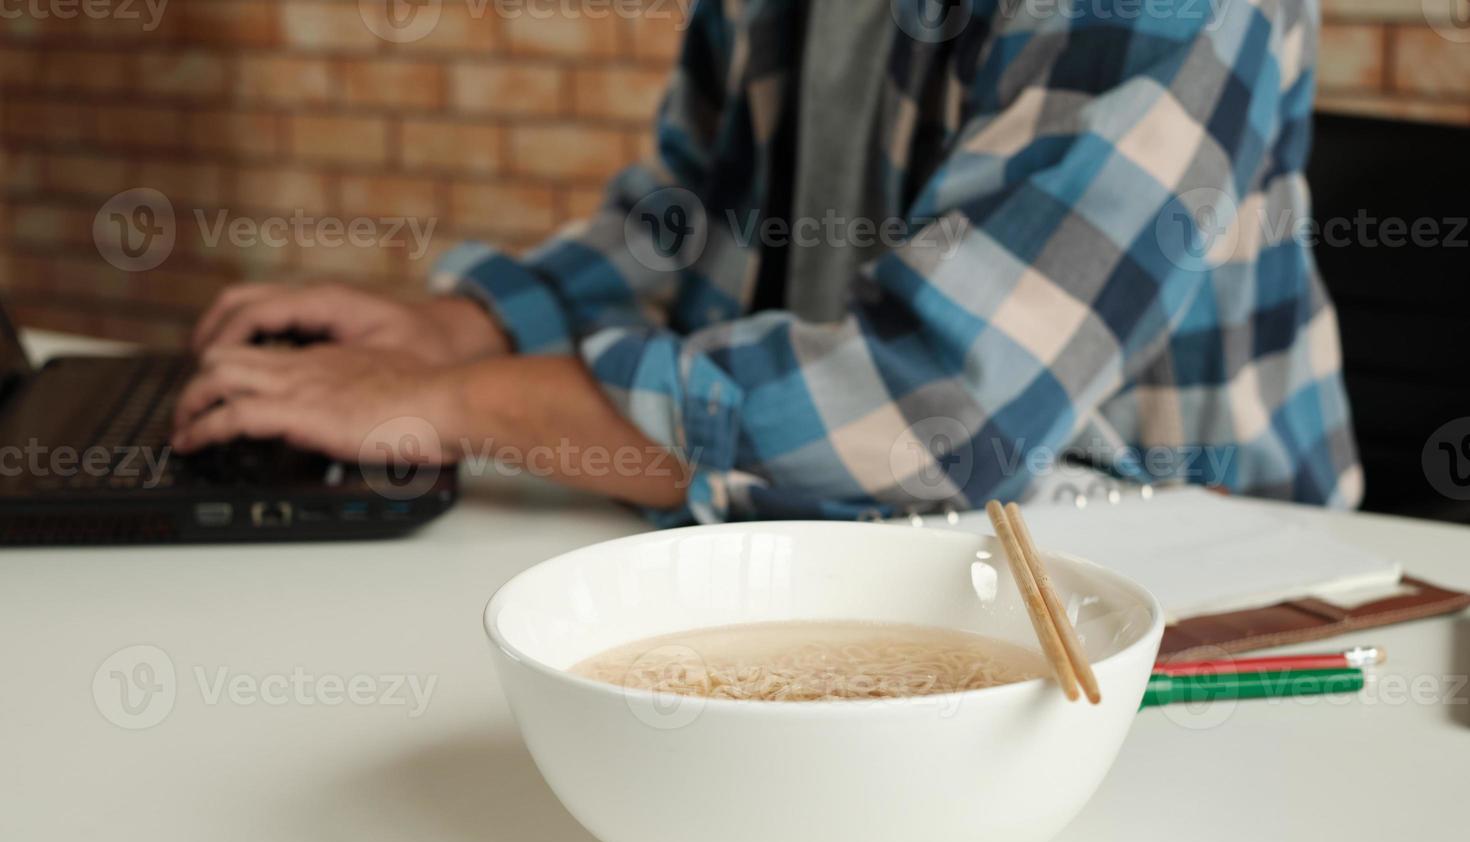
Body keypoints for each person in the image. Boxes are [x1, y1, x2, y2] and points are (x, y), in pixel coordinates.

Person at [172, 0, 1363, 525]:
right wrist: (467, 330)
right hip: (853, 539)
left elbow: (938, 408)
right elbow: (683, 216)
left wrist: (448, 406)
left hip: (1194, 601)